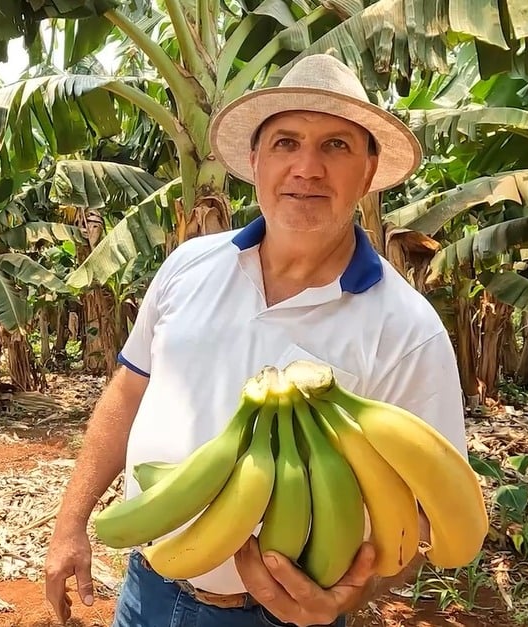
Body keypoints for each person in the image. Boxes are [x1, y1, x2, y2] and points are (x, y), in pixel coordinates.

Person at [43, 53, 468, 627]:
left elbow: (422, 514)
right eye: (286, 143)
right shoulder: (188, 266)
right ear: (255, 160)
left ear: (369, 172)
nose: (307, 168)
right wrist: (71, 520)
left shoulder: (407, 330)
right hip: (148, 588)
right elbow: (129, 392)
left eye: (337, 146)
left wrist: (349, 599)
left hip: (285, 616)